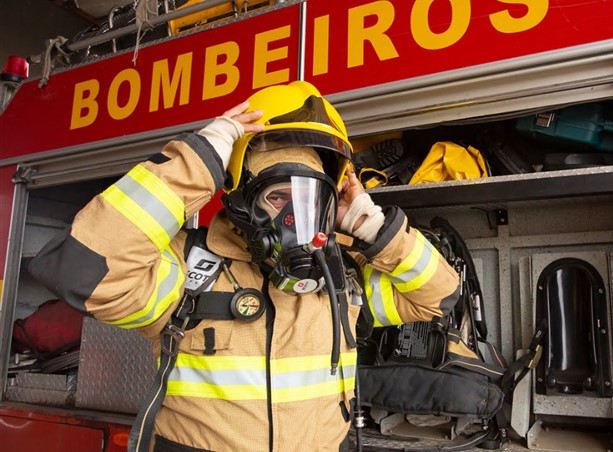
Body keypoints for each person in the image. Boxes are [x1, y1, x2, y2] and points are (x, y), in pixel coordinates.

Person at [29, 81, 461, 451]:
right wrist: (197, 163)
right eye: (277, 198)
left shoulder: (340, 281)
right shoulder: (189, 269)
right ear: (242, 201)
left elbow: (439, 296)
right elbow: (82, 270)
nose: (294, 219)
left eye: (310, 202)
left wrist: (377, 231)